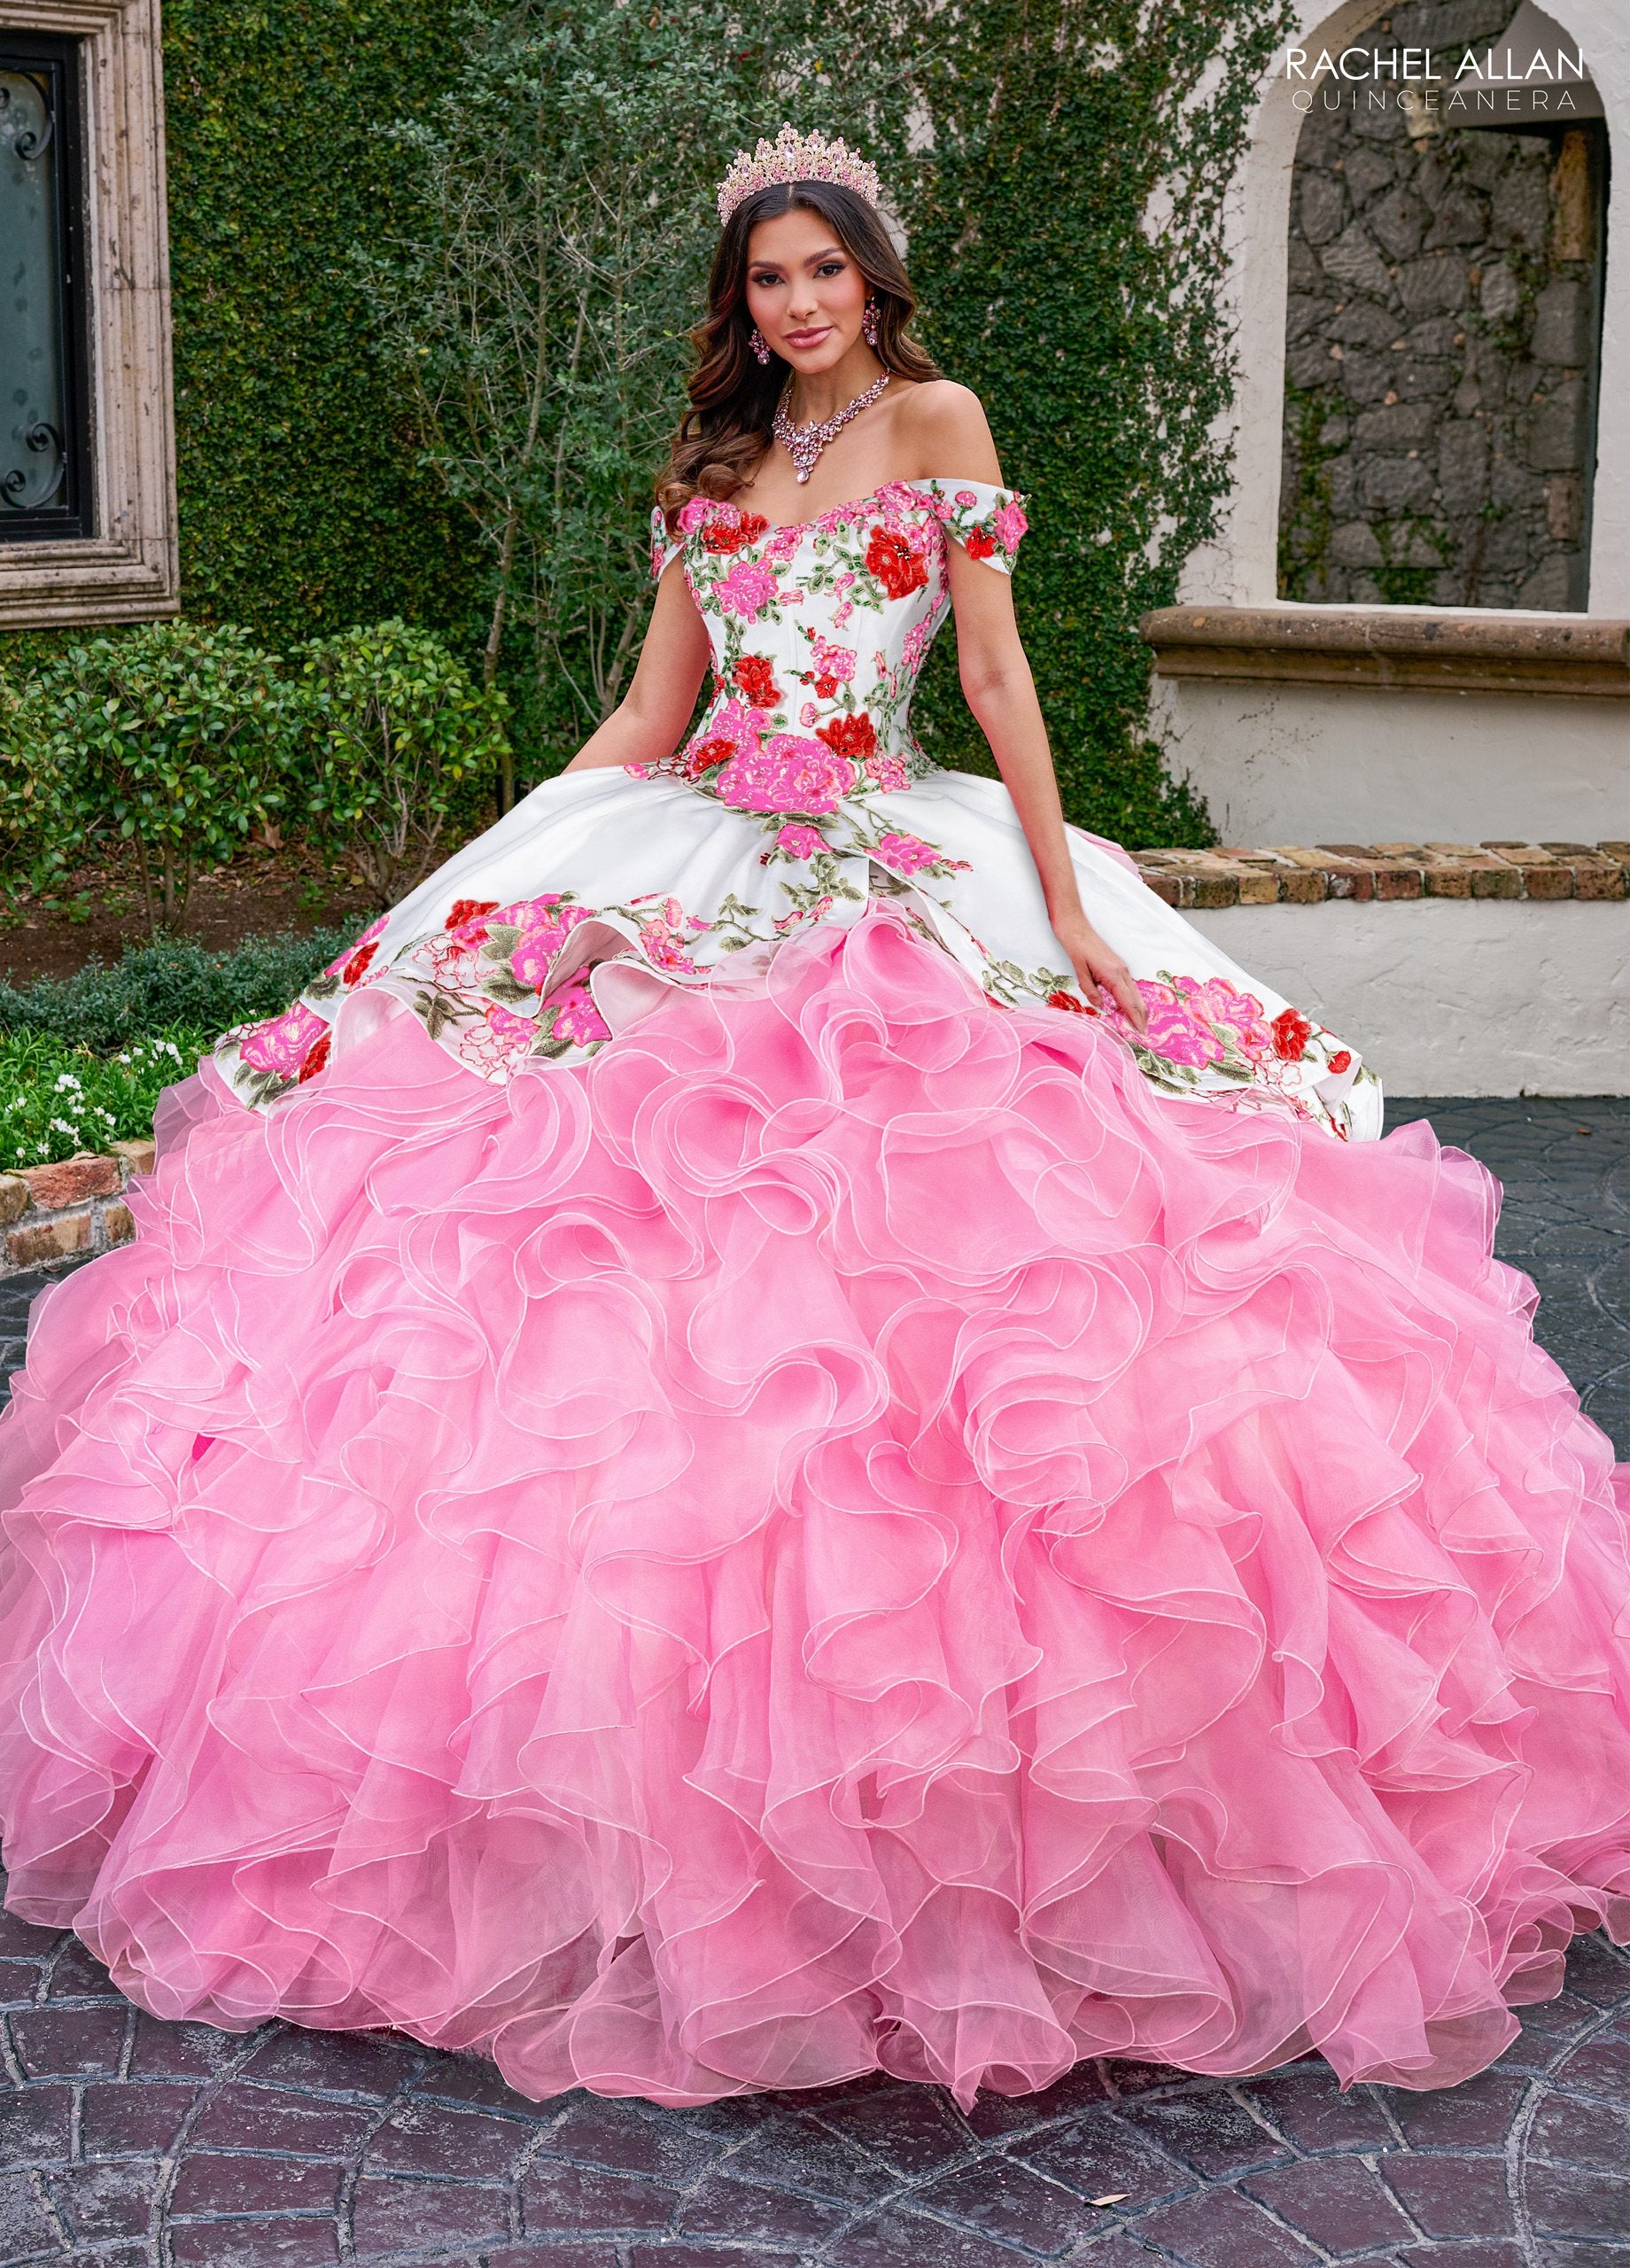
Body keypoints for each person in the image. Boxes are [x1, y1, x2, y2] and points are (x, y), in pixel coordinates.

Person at [0, 126, 1624, 2113]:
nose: (796, 307)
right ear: (740, 301)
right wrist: (492, 873)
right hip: (707, 861)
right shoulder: (707, 478)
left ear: (869, 274)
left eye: (821, 272)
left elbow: (1005, 678)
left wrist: (1066, 901)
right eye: (765, 280)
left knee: (999, 1260)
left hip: (903, 862)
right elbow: (646, 712)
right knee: (597, 1281)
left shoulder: (938, 420)